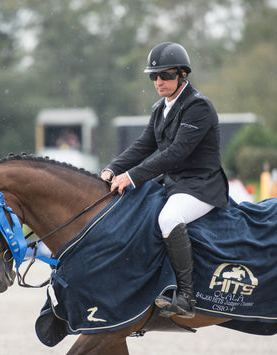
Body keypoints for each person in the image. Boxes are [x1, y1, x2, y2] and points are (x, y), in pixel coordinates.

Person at [101, 42, 229, 318]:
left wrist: (132, 176)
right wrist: (112, 168)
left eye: (166, 75)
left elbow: (175, 153)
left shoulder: (198, 107)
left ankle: (185, 297)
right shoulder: (160, 108)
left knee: (168, 219)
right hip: (174, 183)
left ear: (183, 75)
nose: (159, 81)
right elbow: (143, 146)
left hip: (201, 185)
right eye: (154, 76)